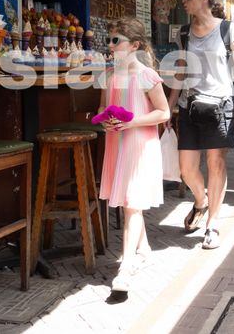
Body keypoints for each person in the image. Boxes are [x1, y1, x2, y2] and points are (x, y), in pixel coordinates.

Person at [167, 0, 234, 250]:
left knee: (216, 164)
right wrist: (168, 105)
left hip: (220, 105)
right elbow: (181, 70)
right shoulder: (183, 33)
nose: (184, 0)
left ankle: (212, 224)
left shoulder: (227, 29)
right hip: (189, 106)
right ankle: (201, 202)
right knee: (186, 169)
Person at [98, 17, 170, 292]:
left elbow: (163, 112)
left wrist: (132, 122)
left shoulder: (146, 75)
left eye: (116, 40)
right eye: (109, 40)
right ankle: (144, 248)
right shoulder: (110, 76)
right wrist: (105, 122)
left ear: (135, 45)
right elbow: (103, 109)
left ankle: (126, 267)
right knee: (130, 202)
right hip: (117, 144)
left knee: (131, 203)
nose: (110, 45)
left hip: (139, 145)